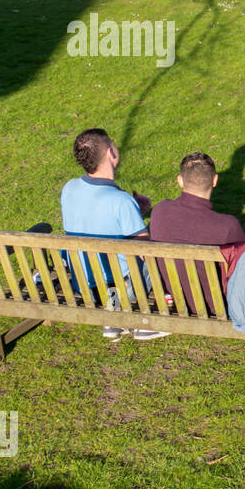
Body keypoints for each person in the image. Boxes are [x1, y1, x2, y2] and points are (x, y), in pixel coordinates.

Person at [60, 128, 168, 341]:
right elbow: (145, 251)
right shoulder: (121, 200)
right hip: (123, 288)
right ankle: (128, 318)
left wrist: (136, 211)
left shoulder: (69, 188)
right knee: (162, 250)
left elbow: (95, 218)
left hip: (84, 284)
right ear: (111, 152)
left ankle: (112, 320)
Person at [150, 152, 245, 317]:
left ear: (180, 180)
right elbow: (244, 269)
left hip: (176, 298)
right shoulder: (228, 226)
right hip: (215, 306)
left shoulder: (159, 210)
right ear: (215, 181)